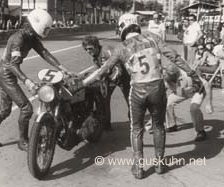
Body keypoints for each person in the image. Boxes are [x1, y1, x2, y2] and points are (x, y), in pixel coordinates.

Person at [78, 13, 201, 179]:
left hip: (137, 90)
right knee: (158, 127)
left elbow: (103, 70)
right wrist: (192, 74)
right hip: (157, 87)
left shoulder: (121, 47)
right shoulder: (153, 38)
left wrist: (83, 83)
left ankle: (138, 167)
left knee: (136, 129)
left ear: (122, 28)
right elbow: (174, 56)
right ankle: (159, 164)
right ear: (136, 25)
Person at [0, 9, 72, 151]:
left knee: (5, 109)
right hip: (6, 73)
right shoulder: (18, 39)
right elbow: (12, 65)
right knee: (26, 108)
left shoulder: (30, 37)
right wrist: (27, 81)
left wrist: (60, 67)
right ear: (35, 27)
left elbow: (44, 52)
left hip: (6, 72)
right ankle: (23, 141)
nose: (42, 34)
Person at [82, 35, 130, 131]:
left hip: (122, 75)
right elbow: (99, 70)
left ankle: (134, 123)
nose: (88, 52)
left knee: (130, 100)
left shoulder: (106, 52)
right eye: (86, 49)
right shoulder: (95, 55)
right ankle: (106, 125)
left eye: (90, 49)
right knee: (104, 100)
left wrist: (110, 79)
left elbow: (118, 68)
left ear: (96, 46)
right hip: (109, 76)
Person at [164, 62, 214, 141]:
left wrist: (209, 104)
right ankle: (171, 125)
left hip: (197, 91)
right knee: (167, 103)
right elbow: (164, 90)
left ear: (177, 72)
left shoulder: (189, 73)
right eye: (169, 74)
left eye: (172, 74)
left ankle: (200, 131)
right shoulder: (167, 77)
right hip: (183, 92)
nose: (170, 76)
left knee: (194, 108)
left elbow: (207, 85)